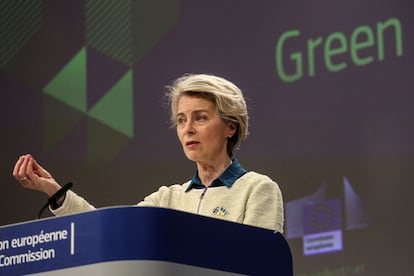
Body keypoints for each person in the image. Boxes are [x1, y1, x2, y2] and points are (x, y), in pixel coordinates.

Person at [13, 73, 284, 232]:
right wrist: (55, 192)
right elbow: (110, 231)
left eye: (200, 118)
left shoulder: (258, 189)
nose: (187, 129)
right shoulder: (167, 198)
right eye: (181, 120)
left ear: (230, 127)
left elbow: (259, 264)